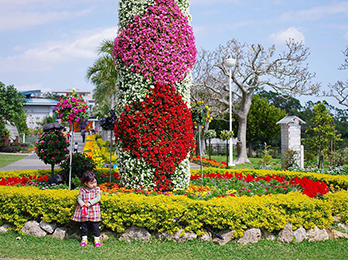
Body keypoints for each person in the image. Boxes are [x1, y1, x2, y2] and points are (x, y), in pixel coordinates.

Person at [72, 171, 101, 247]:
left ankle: (96, 239)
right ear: (85, 183)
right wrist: (83, 205)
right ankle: (84, 238)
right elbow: (79, 199)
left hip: (94, 210)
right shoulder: (82, 190)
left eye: (95, 182)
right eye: (92, 183)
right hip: (84, 211)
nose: (94, 185)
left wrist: (89, 203)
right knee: (84, 226)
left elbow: (98, 198)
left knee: (95, 226)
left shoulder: (97, 189)